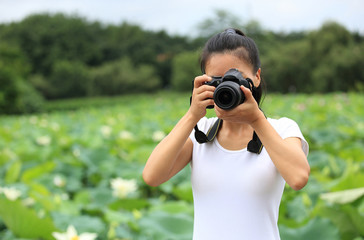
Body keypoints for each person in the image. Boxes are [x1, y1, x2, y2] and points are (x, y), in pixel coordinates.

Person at [143, 28, 310, 240]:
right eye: (217, 81)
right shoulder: (201, 133)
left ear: (256, 77)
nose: (226, 87)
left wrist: (256, 119)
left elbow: (298, 178)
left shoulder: (282, 130)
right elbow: (152, 176)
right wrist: (192, 115)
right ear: (204, 82)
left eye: (235, 78)